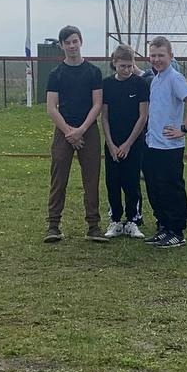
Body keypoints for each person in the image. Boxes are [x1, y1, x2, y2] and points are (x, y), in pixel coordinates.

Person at [45, 25, 108, 242]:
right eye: (67, 43)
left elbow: (97, 104)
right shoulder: (56, 74)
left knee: (91, 179)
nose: (72, 46)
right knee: (58, 178)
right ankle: (53, 225)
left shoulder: (93, 72)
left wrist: (81, 130)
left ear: (81, 42)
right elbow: (51, 107)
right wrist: (68, 132)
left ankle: (93, 226)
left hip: (88, 130)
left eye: (75, 41)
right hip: (64, 130)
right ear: (61, 46)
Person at [143, 36, 187, 249]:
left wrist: (184, 128)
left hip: (169, 146)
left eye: (161, 55)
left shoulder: (175, 78)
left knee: (171, 188)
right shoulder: (156, 78)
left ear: (171, 56)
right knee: (155, 187)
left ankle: (177, 230)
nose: (157, 59)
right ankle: (164, 226)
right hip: (153, 144)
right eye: (153, 55)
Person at [101, 45, 149, 238]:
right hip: (113, 142)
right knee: (113, 181)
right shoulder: (107, 84)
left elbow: (143, 116)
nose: (127, 69)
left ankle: (133, 220)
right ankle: (115, 220)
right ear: (114, 63)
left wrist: (128, 144)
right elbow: (104, 116)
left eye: (130, 66)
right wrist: (111, 144)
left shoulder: (140, 84)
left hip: (134, 142)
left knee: (132, 181)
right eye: (123, 66)